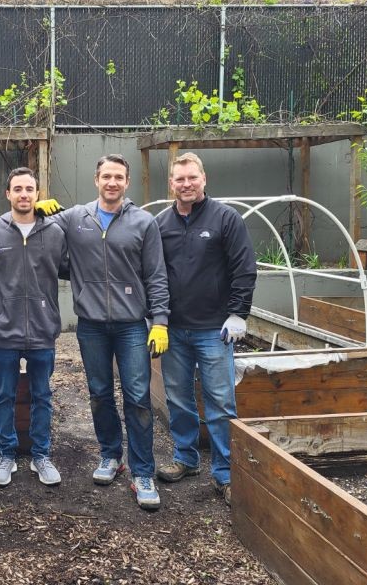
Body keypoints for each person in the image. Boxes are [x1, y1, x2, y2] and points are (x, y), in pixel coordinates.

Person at [46, 153, 170, 510]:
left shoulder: (143, 223)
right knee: (99, 393)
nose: (112, 183)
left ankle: (142, 471)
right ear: (96, 180)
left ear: (126, 182)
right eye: (106, 177)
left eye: (118, 177)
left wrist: (159, 321)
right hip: (92, 326)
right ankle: (110, 455)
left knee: (137, 397)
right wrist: (38, 209)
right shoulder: (75, 218)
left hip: (132, 325)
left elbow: (156, 275)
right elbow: (43, 237)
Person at [154, 152, 256, 507]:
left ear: (204, 179)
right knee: (178, 399)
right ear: (171, 183)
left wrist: (238, 313)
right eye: (179, 179)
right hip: (175, 330)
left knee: (220, 403)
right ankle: (186, 458)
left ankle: (226, 474)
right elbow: (153, 276)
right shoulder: (160, 224)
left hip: (215, 329)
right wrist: (158, 319)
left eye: (192, 178)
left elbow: (244, 268)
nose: (186, 184)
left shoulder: (226, 219)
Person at [0, 167, 68, 487]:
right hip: (5, 329)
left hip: (43, 329)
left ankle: (41, 455)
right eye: (17, 189)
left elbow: (70, 264)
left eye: (29, 189)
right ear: (8, 194)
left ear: (37, 193)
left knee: (42, 395)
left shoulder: (55, 231)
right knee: (4, 395)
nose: (23, 194)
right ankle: (6, 455)